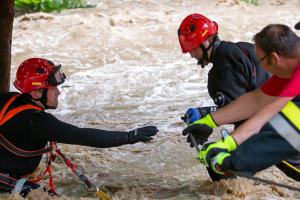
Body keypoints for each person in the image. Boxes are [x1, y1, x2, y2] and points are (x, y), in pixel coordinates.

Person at [0, 58, 159, 197]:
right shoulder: (38, 121)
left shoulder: (7, 98)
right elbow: (80, 135)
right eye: (53, 88)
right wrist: (128, 137)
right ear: (35, 93)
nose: (59, 93)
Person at [184, 24, 300, 181]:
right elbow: (257, 100)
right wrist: (210, 121)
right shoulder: (289, 73)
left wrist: (231, 162)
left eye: (259, 61)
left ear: (274, 58)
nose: (258, 66)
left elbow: (282, 133)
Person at [177, 13, 270, 179]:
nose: (191, 55)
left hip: (279, 124)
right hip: (281, 108)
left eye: (192, 49)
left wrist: (205, 117)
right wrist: (206, 114)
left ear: (205, 42)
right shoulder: (240, 48)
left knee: (215, 158)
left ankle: (229, 194)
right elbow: (247, 99)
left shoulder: (221, 70)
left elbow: (242, 110)